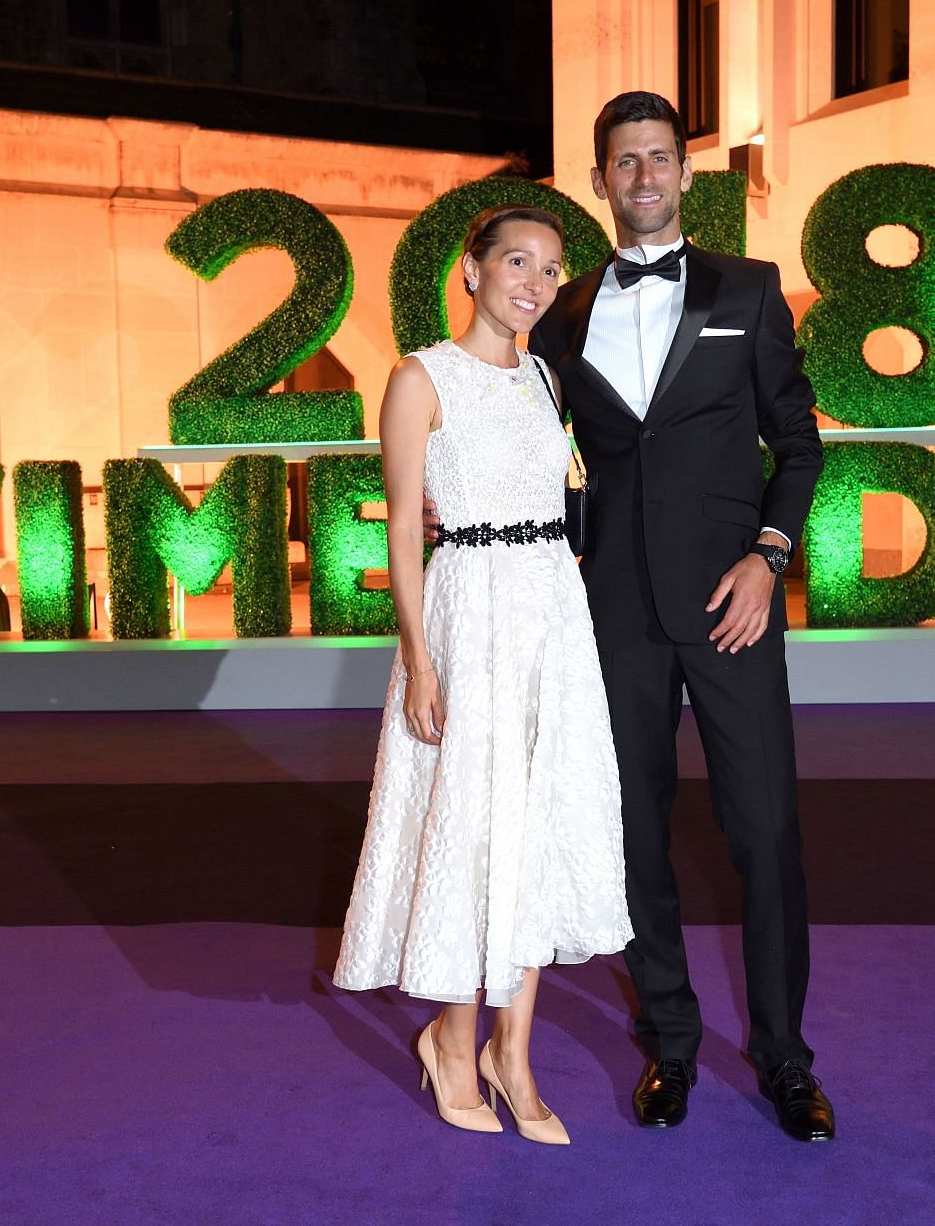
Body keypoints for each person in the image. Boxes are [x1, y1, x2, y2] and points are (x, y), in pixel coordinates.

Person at [529, 92, 832, 1142]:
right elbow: (546, 458)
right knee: (633, 837)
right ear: (600, 179)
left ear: (685, 175)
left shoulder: (748, 291)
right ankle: (669, 1040)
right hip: (611, 616)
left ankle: (788, 1059)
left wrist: (769, 556)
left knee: (766, 831)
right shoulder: (564, 314)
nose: (645, 176)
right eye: (625, 162)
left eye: (660, 158)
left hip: (734, 607)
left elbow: (799, 446)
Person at [332, 205, 633, 1146]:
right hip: (469, 611)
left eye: (550, 269)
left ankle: (516, 1053)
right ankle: (454, 1050)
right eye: (516, 262)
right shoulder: (420, 377)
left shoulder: (548, 376)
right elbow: (404, 532)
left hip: (550, 612)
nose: (535, 283)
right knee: (469, 821)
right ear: (471, 271)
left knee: (538, 820)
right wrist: (420, 657)